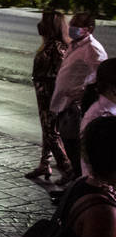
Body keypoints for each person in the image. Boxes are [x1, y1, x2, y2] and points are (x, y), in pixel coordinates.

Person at [51, 12, 108, 177]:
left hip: (75, 108)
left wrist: (80, 93)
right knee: (69, 146)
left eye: (77, 25)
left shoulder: (93, 49)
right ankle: (73, 183)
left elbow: (101, 78)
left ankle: (78, 185)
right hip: (64, 104)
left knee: (76, 149)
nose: (72, 28)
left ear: (89, 28)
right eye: (72, 24)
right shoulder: (75, 44)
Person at [26, 10, 73, 181]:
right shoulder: (52, 44)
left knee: (51, 132)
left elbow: (61, 74)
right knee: (48, 130)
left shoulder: (56, 47)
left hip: (51, 95)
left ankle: (67, 169)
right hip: (45, 92)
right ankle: (44, 164)